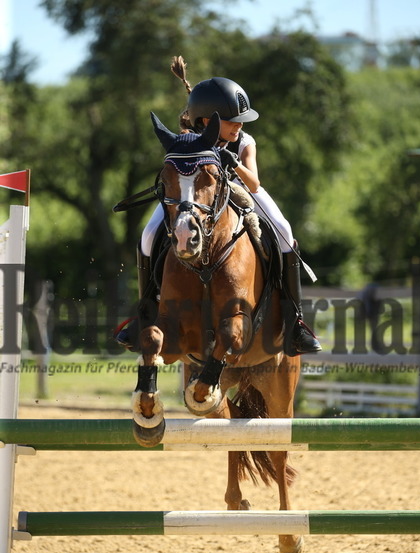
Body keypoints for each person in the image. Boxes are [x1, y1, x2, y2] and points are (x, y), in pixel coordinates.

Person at [116, 58, 321, 356]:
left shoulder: (245, 141)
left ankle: (295, 322)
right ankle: (146, 313)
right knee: (148, 237)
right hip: (194, 200)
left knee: (285, 232)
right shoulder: (187, 141)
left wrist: (233, 163)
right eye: (231, 120)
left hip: (241, 190)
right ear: (205, 121)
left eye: (240, 120)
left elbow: (254, 183)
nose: (239, 125)